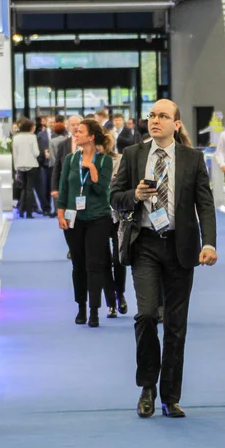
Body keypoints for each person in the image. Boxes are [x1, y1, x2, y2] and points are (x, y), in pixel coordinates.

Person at [110, 99, 217, 419]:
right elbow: (115, 198)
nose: (155, 120)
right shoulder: (132, 155)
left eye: (163, 116)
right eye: (152, 115)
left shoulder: (193, 158)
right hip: (144, 245)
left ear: (177, 124)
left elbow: (206, 205)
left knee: (175, 325)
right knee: (145, 315)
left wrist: (209, 243)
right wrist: (135, 197)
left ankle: (170, 395)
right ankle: (147, 387)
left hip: (181, 248)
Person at [57, 119, 113, 328]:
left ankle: (94, 310)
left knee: (94, 265)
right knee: (78, 264)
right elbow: (63, 190)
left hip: (98, 218)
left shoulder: (104, 161)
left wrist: (92, 170)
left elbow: (102, 190)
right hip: (74, 219)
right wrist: (60, 214)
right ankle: (81, 306)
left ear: (91, 137)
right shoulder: (70, 160)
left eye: (80, 131)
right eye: (76, 130)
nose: (76, 133)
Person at [98, 131, 128, 319]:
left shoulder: (121, 160)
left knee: (119, 259)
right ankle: (110, 303)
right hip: (99, 216)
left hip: (119, 215)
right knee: (103, 261)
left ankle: (120, 294)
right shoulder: (91, 161)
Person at [12, 119, 40, 219]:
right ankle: (29, 213)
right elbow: (36, 152)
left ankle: (21, 210)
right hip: (31, 164)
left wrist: (16, 168)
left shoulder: (16, 137)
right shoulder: (32, 137)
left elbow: (15, 154)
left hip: (20, 165)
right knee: (29, 189)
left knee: (23, 188)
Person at [51, 115, 83, 197]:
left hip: (84, 183)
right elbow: (57, 166)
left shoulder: (89, 143)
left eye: (78, 124)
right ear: (68, 127)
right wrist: (55, 188)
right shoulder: (63, 144)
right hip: (67, 184)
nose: (76, 127)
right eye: (72, 125)